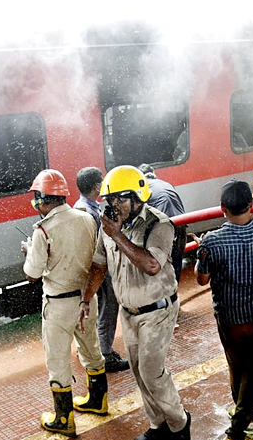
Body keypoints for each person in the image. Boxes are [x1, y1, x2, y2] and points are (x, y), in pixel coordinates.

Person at [78, 165, 191, 440]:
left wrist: (117, 235)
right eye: (109, 199)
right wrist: (85, 299)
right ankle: (158, 427)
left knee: (152, 373)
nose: (113, 205)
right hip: (129, 313)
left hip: (157, 311)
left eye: (120, 199)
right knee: (139, 373)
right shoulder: (109, 226)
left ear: (137, 196)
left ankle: (179, 425)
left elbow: (152, 265)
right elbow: (98, 265)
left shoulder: (158, 223)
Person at [193, 180, 253, 440]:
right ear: (252, 205)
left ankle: (244, 420)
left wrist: (203, 253)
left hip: (231, 319)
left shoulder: (213, 241)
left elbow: (202, 280)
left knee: (237, 365)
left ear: (222, 208)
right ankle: (244, 420)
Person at [21, 169, 105, 437]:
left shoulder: (43, 230)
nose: (36, 204)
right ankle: (98, 401)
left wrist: (29, 251)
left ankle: (63, 419)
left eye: (36, 198)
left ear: (43, 200)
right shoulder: (87, 219)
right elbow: (94, 258)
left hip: (58, 304)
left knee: (58, 359)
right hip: (86, 300)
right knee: (91, 348)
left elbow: (32, 274)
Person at [74, 167, 130, 373]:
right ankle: (106, 354)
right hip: (101, 269)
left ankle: (102, 349)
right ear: (97, 186)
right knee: (108, 309)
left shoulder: (79, 206)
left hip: (90, 268)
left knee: (100, 310)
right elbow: (103, 243)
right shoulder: (91, 213)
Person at [138, 164, 187, 282]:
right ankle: (175, 295)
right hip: (181, 224)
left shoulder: (143, 188)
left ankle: (164, 296)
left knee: (160, 263)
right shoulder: (166, 183)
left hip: (164, 227)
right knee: (176, 261)